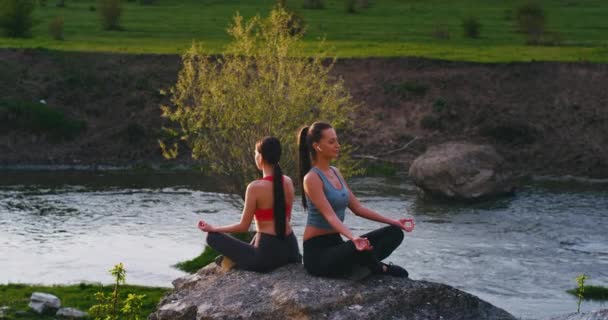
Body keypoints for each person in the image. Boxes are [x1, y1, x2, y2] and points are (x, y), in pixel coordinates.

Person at [298, 121, 415, 279]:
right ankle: (377, 267)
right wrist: (353, 238)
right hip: (318, 254)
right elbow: (330, 216)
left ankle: (361, 266)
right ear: (317, 146)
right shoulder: (311, 178)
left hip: (337, 244)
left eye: (337, 140)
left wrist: (394, 221)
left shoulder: (336, 172)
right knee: (357, 247)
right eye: (331, 142)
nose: (337, 145)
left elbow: (358, 208)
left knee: (394, 233)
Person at [197, 136, 301, 272]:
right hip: (291, 249)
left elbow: (243, 226)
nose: (255, 156)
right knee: (257, 236)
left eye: (255, 153)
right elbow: (287, 218)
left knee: (212, 237)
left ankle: (233, 260)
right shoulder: (287, 181)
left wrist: (214, 228)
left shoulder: (255, 187)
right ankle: (234, 259)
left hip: (267, 257)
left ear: (261, 158)